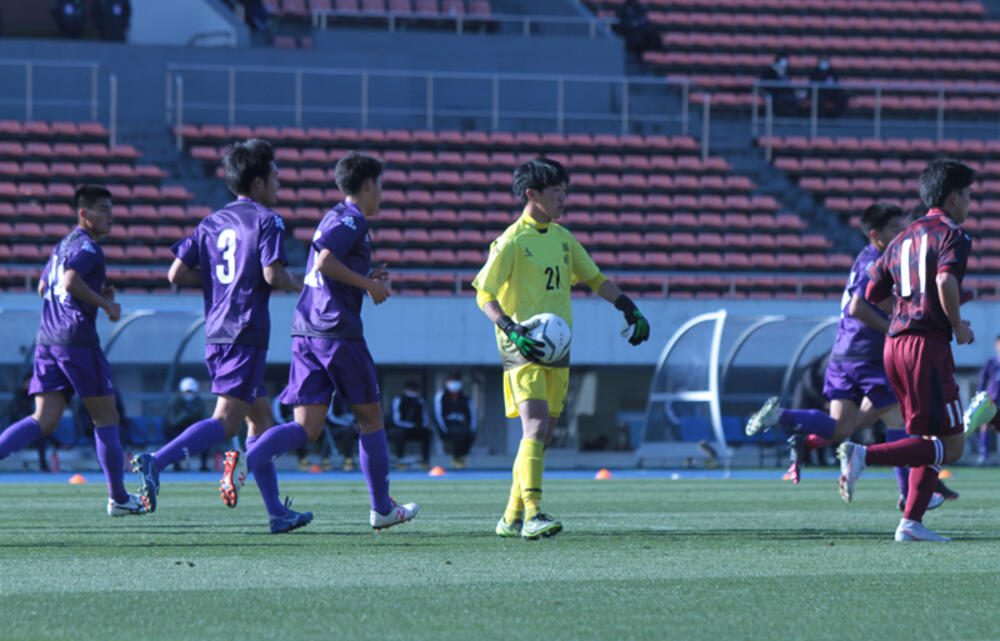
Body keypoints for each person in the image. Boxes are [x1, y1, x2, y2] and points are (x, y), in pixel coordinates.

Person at [221, 151, 418, 531]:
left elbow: (325, 265)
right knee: (371, 417)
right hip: (337, 332)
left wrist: (362, 273)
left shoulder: (332, 216)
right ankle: (381, 509)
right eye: (380, 186)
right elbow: (326, 261)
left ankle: (247, 459)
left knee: (308, 428)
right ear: (367, 185)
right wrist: (371, 285)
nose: (381, 193)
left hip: (306, 329)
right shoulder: (352, 218)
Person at [130, 139, 311, 534]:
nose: (280, 184)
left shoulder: (210, 222)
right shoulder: (268, 219)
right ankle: (156, 462)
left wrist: (218, 281)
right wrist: (303, 287)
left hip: (217, 330)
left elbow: (175, 274)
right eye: (276, 177)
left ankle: (277, 513)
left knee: (259, 422)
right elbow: (272, 275)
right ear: (260, 182)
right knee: (228, 422)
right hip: (245, 330)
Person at [472, 157, 651, 540]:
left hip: (558, 348)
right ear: (531, 194)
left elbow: (594, 278)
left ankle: (510, 516)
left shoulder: (563, 238)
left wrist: (628, 307)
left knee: (543, 434)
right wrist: (510, 327)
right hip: (523, 345)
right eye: (556, 191)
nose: (563, 198)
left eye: (564, 190)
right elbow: (483, 293)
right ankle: (534, 514)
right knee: (535, 426)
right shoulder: (511, 241)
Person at [747, 203, 955, 510]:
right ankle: (905, 495)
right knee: (898, 419)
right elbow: (858, 306)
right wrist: (892, 329)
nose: (900, 232)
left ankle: (780, 416)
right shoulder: (873, 260)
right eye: (894, 229)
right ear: (876, 235)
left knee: (842, 427)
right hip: (865, 355)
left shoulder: (869, 258)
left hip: (842, 354)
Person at [839, 159, 976, 543]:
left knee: (927, 439)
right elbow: (946, 279)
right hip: (926, 347)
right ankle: (862, 455)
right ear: (952, 197)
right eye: (967, 196)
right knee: (951, 445)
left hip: (895, 345)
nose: (969, 204)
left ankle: (911, 523)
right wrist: (957, 325)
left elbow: (871, 294)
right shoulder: (954, 235)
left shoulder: (903, 237)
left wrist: (905, 311)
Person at [0, 185, 143, 515]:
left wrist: (91, 292)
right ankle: (119, 498)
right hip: (76, 341)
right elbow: (69, 283)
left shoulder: (61, 246)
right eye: (104, 209)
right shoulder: (89, 248)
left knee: (44, 419)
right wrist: (105, 303)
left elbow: (43, 288)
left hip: (47, 341)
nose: (111, 215)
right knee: (106, 417)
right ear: (85, 214)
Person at [5, 374, 54, 472]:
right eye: (28, 382)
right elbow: (18, 415)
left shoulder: (36, 397)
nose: (30, 385)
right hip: (21, 430)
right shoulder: (18, 397)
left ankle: (44, 465)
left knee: (43, 434)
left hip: (34, 432)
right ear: (23, 384)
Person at [163, 377, 208, 471]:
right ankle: (177, 465)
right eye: (187, 392)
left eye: (191, 392)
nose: (189, 394)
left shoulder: (198, 402)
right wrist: (186, 414)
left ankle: (204, 465)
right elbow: (173, 421)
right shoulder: (174, 401)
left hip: (191, 430)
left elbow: (204, 419)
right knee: (174, 439)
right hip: (176, 430)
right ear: (182, 391)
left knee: (206, 437)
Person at [434, 372, 477, 469]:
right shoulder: (441, 396)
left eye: (456, 381)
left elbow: (471, 414)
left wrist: (471, 428)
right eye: (452, 381)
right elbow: (438, 414)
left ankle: (462, 457)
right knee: (458, 433)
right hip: (448, 426)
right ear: (447, 382)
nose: (455, 383)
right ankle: (456, 458)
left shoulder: (464, 396)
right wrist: (444, 429)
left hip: (461, 425)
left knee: (469, 434)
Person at [388, 381, 433, 470]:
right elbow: (396, 419)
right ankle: (400, 460)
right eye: (411, 390)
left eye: (414, 390)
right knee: (398, 433)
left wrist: (420, 426)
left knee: (427, 433)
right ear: (405, 390)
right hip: (399, 428)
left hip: (415, 429)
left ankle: (425, 460)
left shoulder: (420, 401)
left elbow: (425, 418)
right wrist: (411, 425)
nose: (413, 392)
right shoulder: (398, 400)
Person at [971, 337, 1000, 465]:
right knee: (986, 426)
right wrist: (979, 397)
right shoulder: (991, 363)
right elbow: (983, 382)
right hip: (992, 400)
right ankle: (984, 455)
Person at [760, 52, 800, 117]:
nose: (785, 61)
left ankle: (789, 118)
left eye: (786, 59)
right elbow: (766, 83)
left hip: (784, 92)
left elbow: (787, 83)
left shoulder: (785, 71)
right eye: (784, 59)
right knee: (780, 100)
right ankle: (778, 117)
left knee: (793, 98)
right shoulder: (770, 70)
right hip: (774, 92)